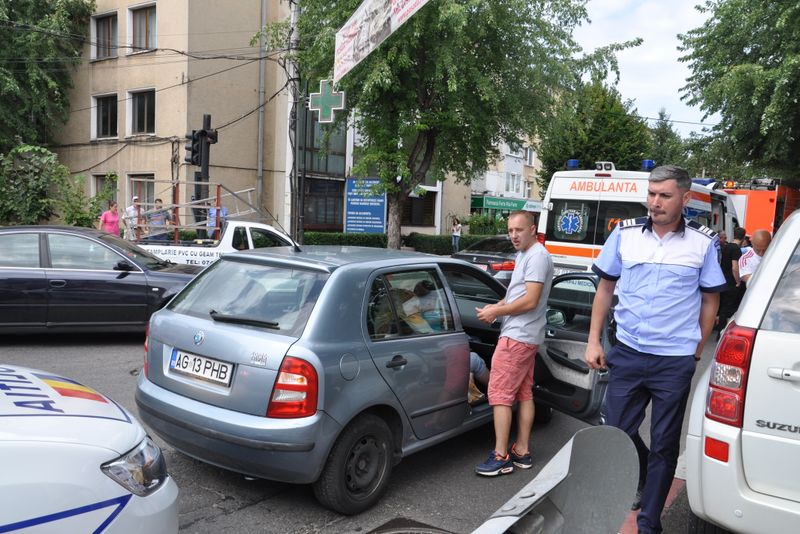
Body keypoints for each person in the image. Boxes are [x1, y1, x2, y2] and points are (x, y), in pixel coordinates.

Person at [584, 165, 726, 534]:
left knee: (665, 443)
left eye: (664, 195)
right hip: (628, 353)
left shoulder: (703, 243)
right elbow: (605, 289)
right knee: (616, 433)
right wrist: (593, 339)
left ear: (685, 198)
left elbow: (710, 300)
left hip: (673, 361)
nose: (655, 202)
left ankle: (649, 523)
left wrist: (696, 349)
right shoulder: (625, 234)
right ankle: (643, 475)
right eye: (651, 194)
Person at [474, 210, 553, 477]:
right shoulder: (525, 255)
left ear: (532, 229)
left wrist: (497, 312)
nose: (513, 235)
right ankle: (521, 450)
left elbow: (530, 300)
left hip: (518, 337)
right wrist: (496, 306)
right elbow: (516, 294)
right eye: (510, 231)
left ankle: (500, 457)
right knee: (524, 393)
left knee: (499, 394)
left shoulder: (537, 256)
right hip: (526, 335)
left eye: (519, 230)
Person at [716, 230, 742, 336]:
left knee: (722, 307)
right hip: (731, 282)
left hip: (722, 280)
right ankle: (722, 332)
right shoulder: (736, 249)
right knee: (728, 308)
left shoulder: (726, 247)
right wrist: (738, 281)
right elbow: (735, 267)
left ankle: (719, 331)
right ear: (743, 238)